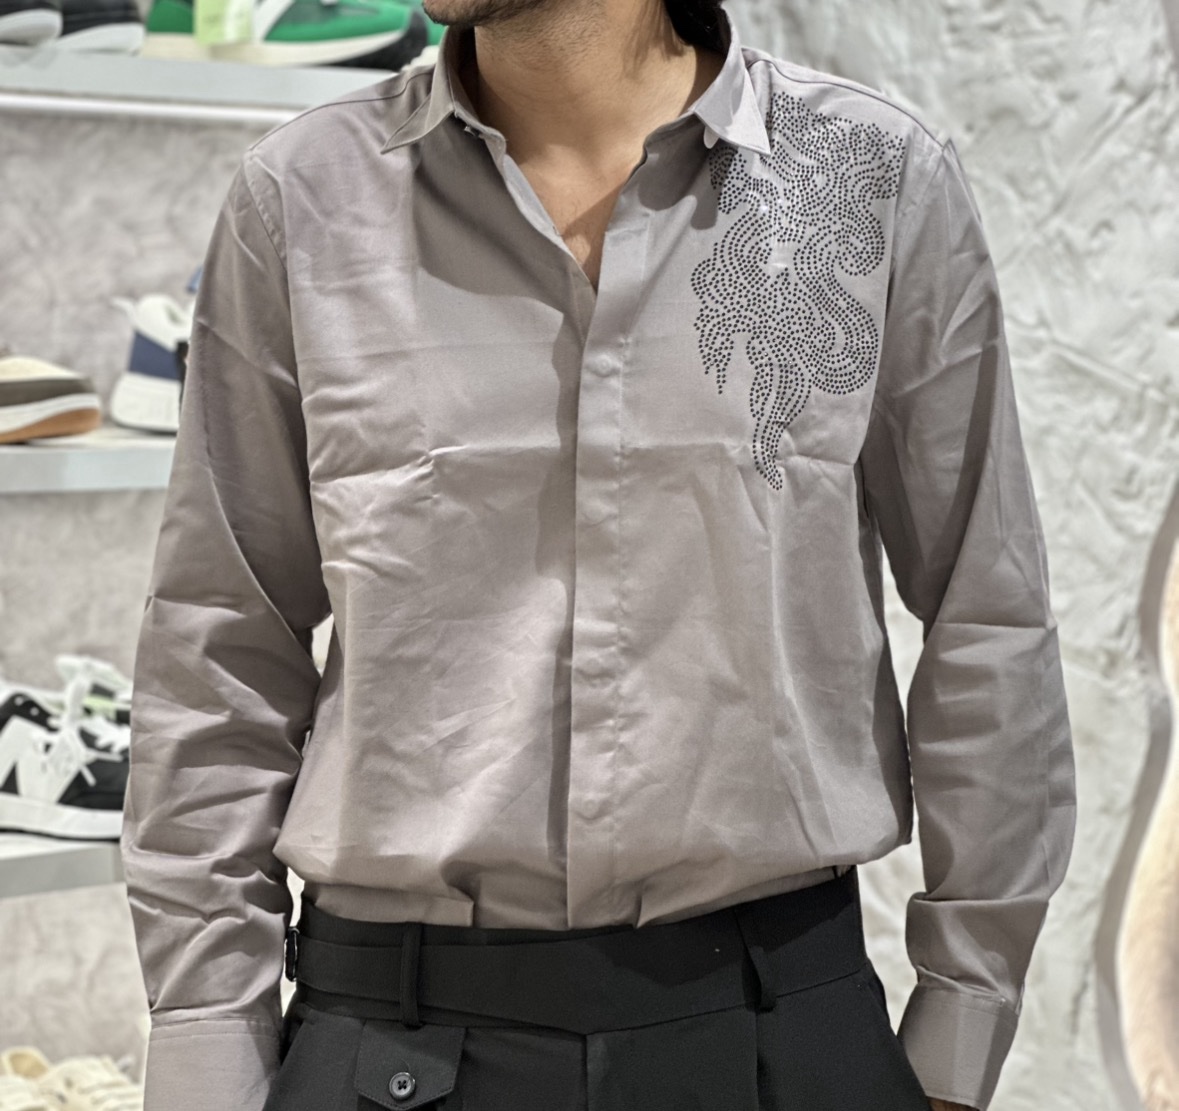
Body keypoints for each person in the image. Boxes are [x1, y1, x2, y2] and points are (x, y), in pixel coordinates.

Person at [120, 0, 1077, 1108]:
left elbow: (986, 610)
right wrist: (207, 1049)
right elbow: (221, 645)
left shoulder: (870, 176)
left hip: (779, 1031)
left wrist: (961, 1020)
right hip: (391, 1041)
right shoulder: (303, 196)